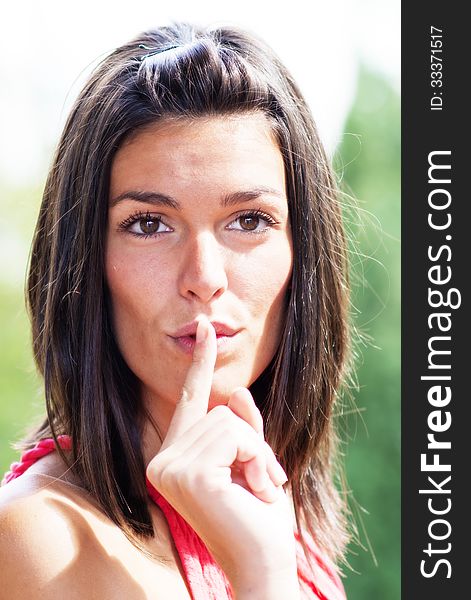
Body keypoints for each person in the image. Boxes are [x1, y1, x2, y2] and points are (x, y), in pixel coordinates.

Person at [0, 21, 350, 599]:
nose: (205, 278)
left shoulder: (279, 514)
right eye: (149, 225)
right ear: (87, 263)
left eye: (249, 221)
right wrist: (262, 579)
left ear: (303, 253)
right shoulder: (39, 540)